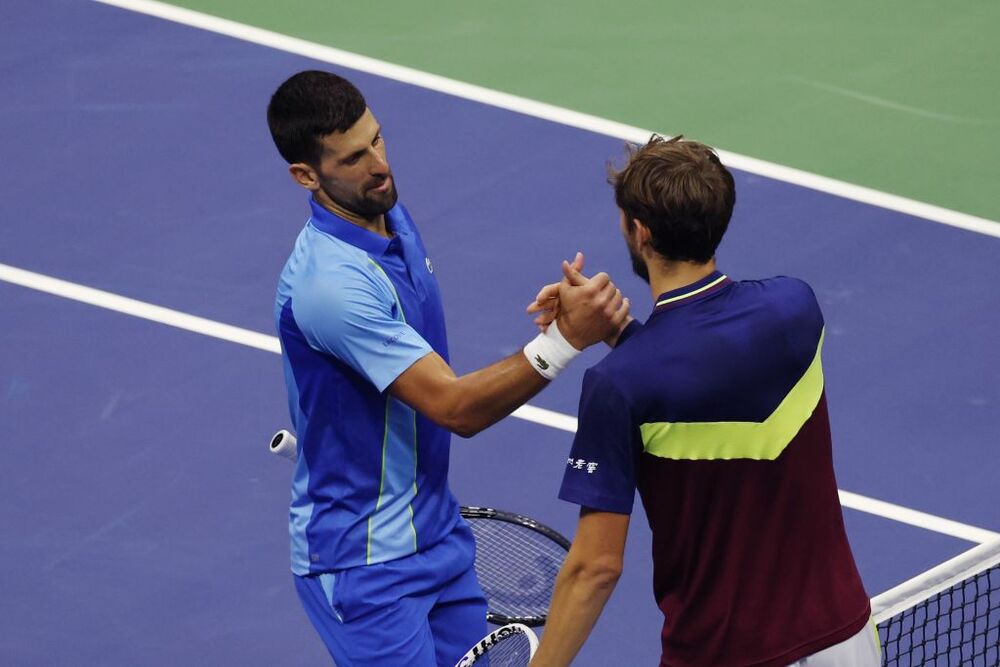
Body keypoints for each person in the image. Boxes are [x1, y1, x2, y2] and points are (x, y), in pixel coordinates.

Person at [265, 70, 630, 667]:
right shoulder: (329, 287)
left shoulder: (388, 216)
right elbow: (455, 407)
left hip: (435, 535)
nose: (379, 165)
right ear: (306, 176)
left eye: (377, 140)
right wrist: (565, 340)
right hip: (365, 568)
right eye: (354, 158)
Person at [528, 136, 878, 666]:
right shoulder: (796, 308)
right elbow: (704, 367)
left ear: (639, 232)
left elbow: (595, 568)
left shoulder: (618, 386)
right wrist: (621, 330)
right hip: (845, 641)